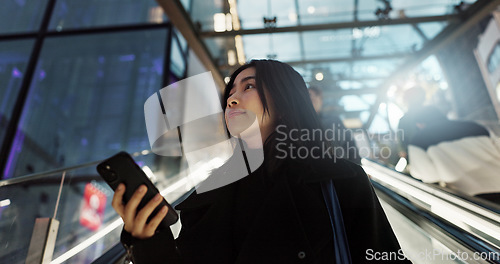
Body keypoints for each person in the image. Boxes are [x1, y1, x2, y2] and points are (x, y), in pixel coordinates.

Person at [112, 60, 409, 263]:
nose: (231, 98)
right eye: (231, 91)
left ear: (283, 100)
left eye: (248, 87)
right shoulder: (208, 193)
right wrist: (145, 239)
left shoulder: (339, 179)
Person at [408, 106, 500, 203]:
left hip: (475, 197)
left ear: (419, 124)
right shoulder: (475, 126)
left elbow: (428, 175)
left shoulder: (418, 140)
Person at [308, 86, 361, 164]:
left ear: (321, 101)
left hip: (343, 168)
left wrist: (357, 165)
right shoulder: (301, 124)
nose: (313, 98)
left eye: (316, 95)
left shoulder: (334, 120)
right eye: (309, 95)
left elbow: (349, 142)